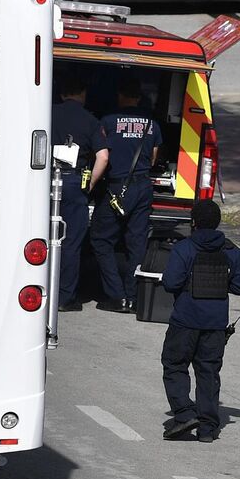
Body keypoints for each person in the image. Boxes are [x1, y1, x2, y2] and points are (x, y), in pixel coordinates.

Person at [158, 199, 240, 442]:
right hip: (215, 324)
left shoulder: (184, 248)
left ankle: (184, 413)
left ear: (194, 222)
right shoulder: (231, 250)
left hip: (185, 321)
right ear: (218, 222)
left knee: (175, 365)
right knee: (209, 371)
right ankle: (208, 428)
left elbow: (170, 283)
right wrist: (221, 284)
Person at [88, 76, 159, 314]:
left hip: (116, 187)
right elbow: (154, 158)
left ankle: (115, 295)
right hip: (142, 187)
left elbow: (100, 154)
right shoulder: (152, 124)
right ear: (139, 97)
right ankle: (132, 296)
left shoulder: (107, 121)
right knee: (137, 243)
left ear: (120, 96)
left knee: (101, 240)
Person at [50, 73, 106, 313]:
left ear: (62, 94)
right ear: (83, 95)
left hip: (45, 182)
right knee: (70, 243)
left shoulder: (46, 113)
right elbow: (103, 157)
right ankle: (64, 298)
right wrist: (90, 183)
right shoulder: (91, 121)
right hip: (74, 184)